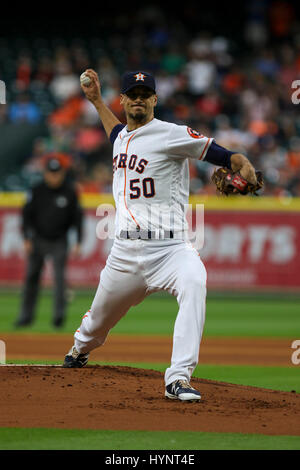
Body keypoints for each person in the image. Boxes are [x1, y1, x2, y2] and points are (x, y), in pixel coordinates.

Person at [63, 69, 257, 402]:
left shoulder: (172, 134)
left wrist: (240, 161)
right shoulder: (122, 136)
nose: (139, 99)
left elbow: (219, 154)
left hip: (171, 248)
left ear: (154, 99)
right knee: (94, 326)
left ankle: (178, 378)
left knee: (195, 282)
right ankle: (80, 350)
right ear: (123, 99)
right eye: (132, 94)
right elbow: (115, 134)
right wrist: (96, 101)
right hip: (125, 250)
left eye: (144, 94)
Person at [15, 156, 83, 328]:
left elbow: (77, 218)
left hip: (60, 240)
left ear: (62, 173)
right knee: (31, 278)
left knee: (60, 280)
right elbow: (26, 215)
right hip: (38, 239)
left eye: (57, 173)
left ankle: (58, 318)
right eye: (51, 173)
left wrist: (78, 241)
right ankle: (25, 317)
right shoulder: (36, 191)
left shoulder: (69, 191)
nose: (54, 176)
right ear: (45, 173)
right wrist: (26, 238)